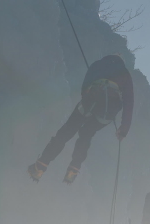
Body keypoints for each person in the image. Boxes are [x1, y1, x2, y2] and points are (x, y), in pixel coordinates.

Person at [28, 54, 133, 184]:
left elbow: (86, 84)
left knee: (66, 132)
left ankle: (40, 167)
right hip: (107, 112)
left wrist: (86, 98)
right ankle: (73, 170)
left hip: (90, 101)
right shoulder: (125, 74)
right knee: (86, 135)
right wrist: (124, 129)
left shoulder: (98, 64)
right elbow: (129, 101)